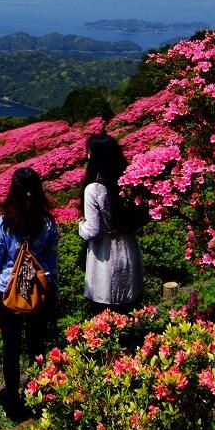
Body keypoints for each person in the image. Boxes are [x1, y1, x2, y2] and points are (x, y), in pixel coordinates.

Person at [0, 166, 59, 421]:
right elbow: (51, 259)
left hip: (8, 292)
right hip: (39, 290)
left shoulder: (2, 223)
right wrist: (52, 286)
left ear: (13, 191)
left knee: (11, 347)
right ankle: (41, 394)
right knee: (37, 344)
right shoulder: (47, 221)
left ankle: (14, 401)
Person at [78, 132, 143, 312]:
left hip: (104, 258)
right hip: (129, 251)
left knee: (104, 314)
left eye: (89, 152)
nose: (87, 155)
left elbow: (92, 231)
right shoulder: (129, 182)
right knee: (129, 311)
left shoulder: (94, 188)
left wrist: (80, 225)